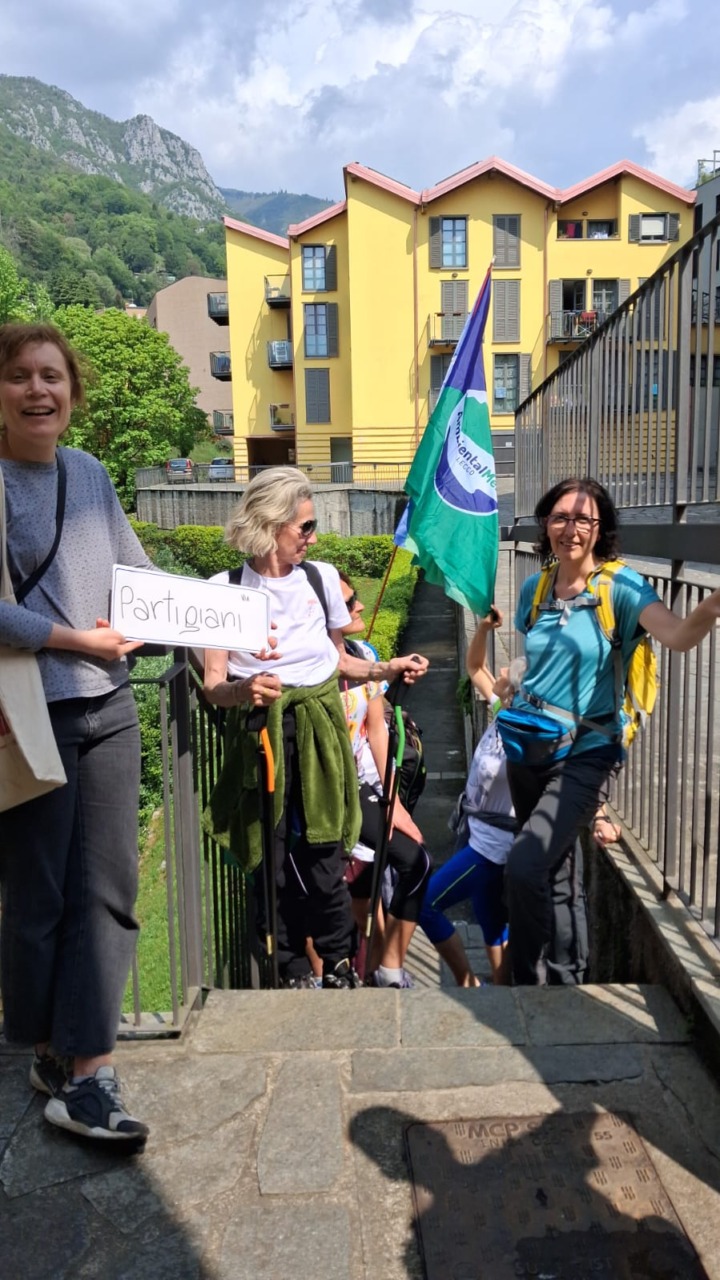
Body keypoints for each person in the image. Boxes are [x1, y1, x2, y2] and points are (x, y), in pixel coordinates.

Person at [0, 321, 151, 1142]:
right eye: (19, 375)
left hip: (111, 707)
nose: (38, 390)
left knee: (110, 890)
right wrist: (74, 642)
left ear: (72, 391)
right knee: (40, 896)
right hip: (30, 713)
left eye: (52, 375)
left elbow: (137, 576)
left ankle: (89, 1070)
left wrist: (226, 624)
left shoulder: (88, 474)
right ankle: (45, 1046)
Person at [203, 467, 427, 989]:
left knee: (327, 850)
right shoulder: (224, 590)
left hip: (322, 732)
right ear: (270, 524)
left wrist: (387, 668)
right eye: (305, 526)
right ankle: (289, 965)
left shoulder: (319, 578)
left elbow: (339, 662)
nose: (313, 537)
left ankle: (339, 960)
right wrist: (243, 690)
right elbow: (213, 684)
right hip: (264, 732)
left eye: (313, 525)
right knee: (272, 852)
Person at [502, 476, 720, 986]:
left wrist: (711, 606)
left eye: (583, 519)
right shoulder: (537, 587)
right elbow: (533, 661)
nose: (570, 529)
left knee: (525, 864)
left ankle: (525, 983)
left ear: (600, 528)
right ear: (545, 525)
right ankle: (564, 982)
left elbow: (678, 636)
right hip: (527, 745)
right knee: (553, 867)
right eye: (560, 517)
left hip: (586, 750)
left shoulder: (620, 587)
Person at [337, 575, 432, 987]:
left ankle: (385, 970)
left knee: (400, 869)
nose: (359, 606)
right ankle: (358, 975)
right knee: (355, 899)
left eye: (357, 598)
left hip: (368, 784)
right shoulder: (310, 664)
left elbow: (377, 729)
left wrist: (394, 803)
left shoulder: (364, 653)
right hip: (334, 789)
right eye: (349, 602)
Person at [420, 612, 513, 986]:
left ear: (517, 691)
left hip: (492, 848)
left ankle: (467, 981)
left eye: (508, 672)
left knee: (426, 904)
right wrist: (485, 628)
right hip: (477, 834)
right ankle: (502, 989)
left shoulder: (528, 736)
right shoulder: (503, 712)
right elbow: (475, 667)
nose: (500, 669)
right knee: (490, 918)